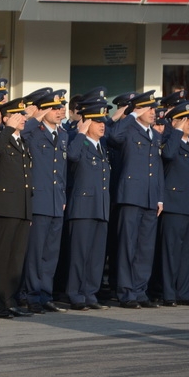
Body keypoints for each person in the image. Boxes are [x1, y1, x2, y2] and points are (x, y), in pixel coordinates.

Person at [106, 91, 163, 309]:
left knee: (145, 247)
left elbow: (157, 168)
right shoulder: (128, 129)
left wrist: (160, 198)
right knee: (127, 246)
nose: (153, 113)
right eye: (148, 109)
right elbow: (112, 137)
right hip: (130, 195)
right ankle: (126, 292)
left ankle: (140, 291)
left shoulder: (155, 136)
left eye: (153, 109)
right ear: (138, 109)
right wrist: (130, 115)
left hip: (150, 197)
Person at [21, 89, 69, 314]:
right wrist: (32, 118)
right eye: (53, 108)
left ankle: (45, 294)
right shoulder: (34, 132)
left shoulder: (63, 134)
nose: (59, 112)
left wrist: (62, 197)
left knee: (51, 253)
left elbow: (62, 171)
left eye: (60, 108)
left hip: (56, 200)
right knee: (36, 252)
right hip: (38, 199)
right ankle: (32, 296)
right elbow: (20, 135)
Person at [0, 98, 34, 319]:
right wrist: (8, 128)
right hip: (5, 207)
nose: (22, 119)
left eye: (23, 115)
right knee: (2, 256)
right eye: (17, 115)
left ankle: (10, 299)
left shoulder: (22, 141)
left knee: (16, 257)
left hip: (22, 207)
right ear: (6, 119)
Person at [66, 102, 111, 310]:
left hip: (100, 207)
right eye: (97, 121)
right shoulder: (79, 143)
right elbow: (72, 157)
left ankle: (89, 293)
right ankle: (75, 293)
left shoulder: (102, 147)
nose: (102, 125)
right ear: (86, 122)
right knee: (80, 254)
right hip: (83, 208)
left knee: (96, 255)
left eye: (103, 121)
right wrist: (81, 133)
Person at [159, 102, 189, 306]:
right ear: (176, 121)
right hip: (176, 204)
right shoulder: (170, 140)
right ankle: (169, 293)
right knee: (171, 252)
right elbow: (168, 155)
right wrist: (177, 131)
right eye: (186, 119)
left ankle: (185, 292)